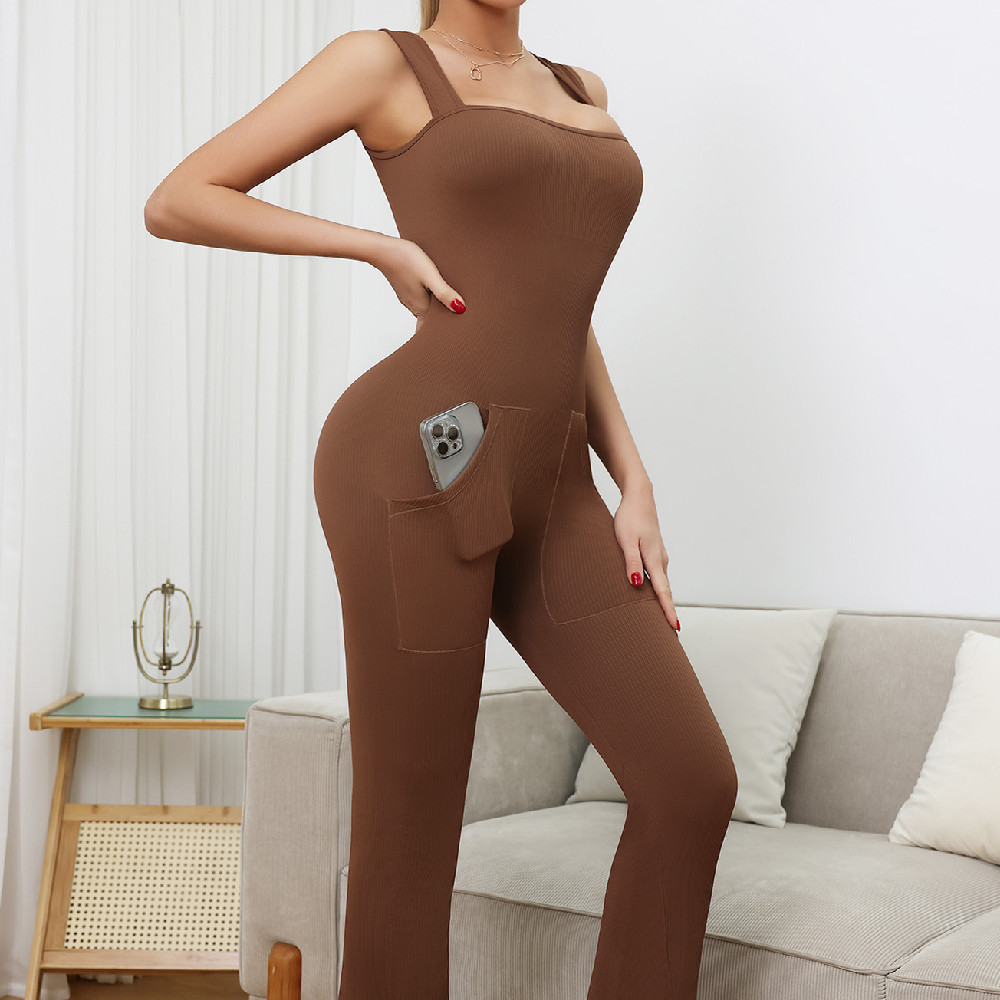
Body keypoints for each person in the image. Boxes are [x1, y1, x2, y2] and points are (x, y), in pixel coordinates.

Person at [144, 2, 739, 997]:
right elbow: (179, 198)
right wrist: (375, 247)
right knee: (410, 837)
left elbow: (558, 308)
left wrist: (631, 477)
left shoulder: (581, 88)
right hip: (418, 460)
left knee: (690, 782)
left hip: (557, 483)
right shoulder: (383, 64)